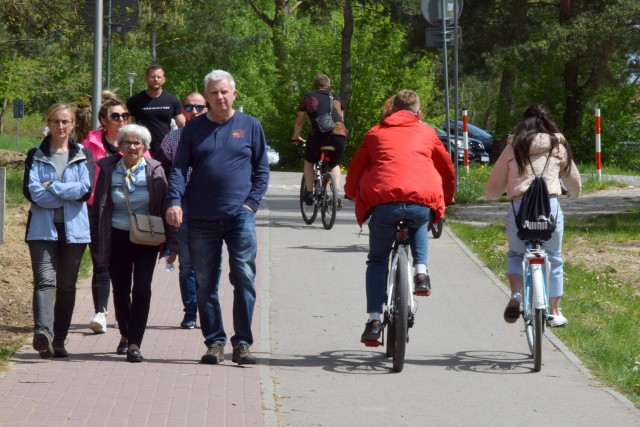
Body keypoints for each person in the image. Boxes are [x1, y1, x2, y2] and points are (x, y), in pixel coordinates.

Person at [166, 69, 270, 365]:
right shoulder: (193, 129)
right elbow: (177, 169)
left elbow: (261, 170)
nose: (219, 97)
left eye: (224, 91)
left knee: (244, 278)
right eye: (213, 93)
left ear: (234, 94)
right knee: (205, 283)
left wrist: (250, 205)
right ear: (207, 97)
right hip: (199, 217)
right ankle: (214, 342)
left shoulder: (250, 126)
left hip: (239, 216)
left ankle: (242, 343)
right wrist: (174, 201)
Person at [344, 90, 456, 344]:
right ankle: (421, 272)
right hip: (420, 198)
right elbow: (446, 167)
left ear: (391, 110)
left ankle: (374, 321)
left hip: (384, 203)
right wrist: (447, 196)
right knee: (420, 219)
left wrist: (351, 193)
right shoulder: (428, 133)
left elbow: (356, 168)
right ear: (418, 112)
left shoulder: (375, 133)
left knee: (377, 259)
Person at [485, 104, 581, 327]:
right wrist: (574, 194)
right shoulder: (558, 147)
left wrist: (491, 196)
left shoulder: (513, 147)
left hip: (520, 209)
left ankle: (516, 295)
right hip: (550, 208)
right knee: (554, 258)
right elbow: (573, 179)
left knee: (517, 254)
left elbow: (494, 186)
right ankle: (555, 311)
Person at [90, 124, 178, 363]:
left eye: (137, 142)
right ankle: (126, 333)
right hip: (116, 235)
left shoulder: (155, 171)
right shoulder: (108, 170)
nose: (132, 146)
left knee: (141, 289)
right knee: (120, 289)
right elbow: (97, 208)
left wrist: (172, 242)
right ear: (119, 146)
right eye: (127, 142)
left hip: (146, 238)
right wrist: (96, 243)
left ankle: (135, 343)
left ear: (145, 147)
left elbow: (165, 206)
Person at [23, 103, 94, 358]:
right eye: (56, 121)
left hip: (74, 230)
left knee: (66, 286)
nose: (61, 126)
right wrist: (66, 194)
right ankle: (43, 333)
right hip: (42, 229)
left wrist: (51, 186)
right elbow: (32, 192)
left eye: (65, 122)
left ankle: (60, 339)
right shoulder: (36, 154)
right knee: (44, 282)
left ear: (73, 124)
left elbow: (85, 191)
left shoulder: (84, 154)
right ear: (48, 123)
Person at [82, 90, 131, 334]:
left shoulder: (135, 143)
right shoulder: (88, 146)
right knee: (101, 261)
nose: (122, 120)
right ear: (104, 120)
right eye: (116, 116)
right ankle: (101, 312)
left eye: (125, 115)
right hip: (97, 210)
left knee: (123, 264)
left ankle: (125, 311)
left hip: (127, 210)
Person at [159, 91, 208, 329]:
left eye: (199, 107)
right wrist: (170, 203)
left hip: (210, 205)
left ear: (207, 108)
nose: (195, 112)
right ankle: (190, 311)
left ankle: (207, 308)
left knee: (209, 263)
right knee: (186, 263)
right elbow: (165, 174)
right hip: (183, 205)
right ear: (183, 111)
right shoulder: (172, 139)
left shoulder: (216, 134)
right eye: (189, 107)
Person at [291, 73, 348, 205]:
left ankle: (310, 193)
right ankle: (336, 193)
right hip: (339, 135)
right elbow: (342, 119)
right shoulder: (336, 97)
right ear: (328, 86)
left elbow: (300, 121)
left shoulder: (308, 97)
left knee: (309, 161)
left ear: (314, 85)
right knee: (334, 164)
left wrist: (296, 137)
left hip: (319, 136)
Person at [126, 64, 186, 159]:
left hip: (165, 149)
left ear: (164, 79)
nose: (156, 79)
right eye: (152, 77)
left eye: (159, 77)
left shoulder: (172, 100)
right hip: (141, 149)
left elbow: (182, 125)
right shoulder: (135, 100)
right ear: (146, 78)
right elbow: (127, 125)